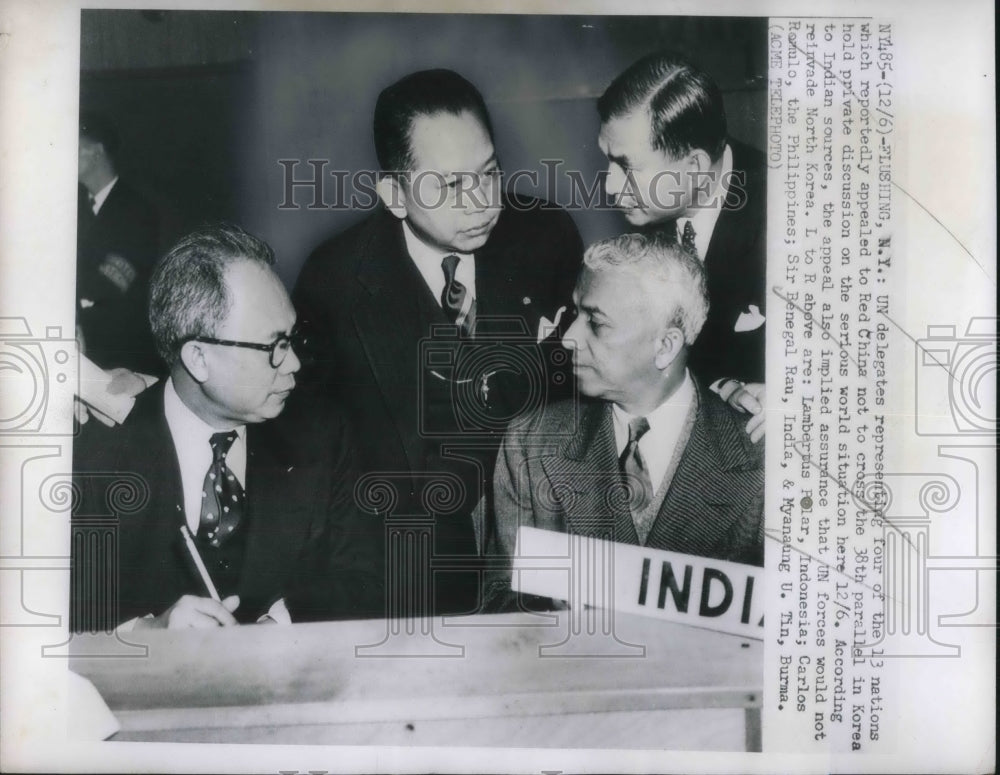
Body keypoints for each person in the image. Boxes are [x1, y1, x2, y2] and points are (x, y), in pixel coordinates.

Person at [294, 69, 582, 615]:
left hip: (538, 560)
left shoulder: (545, 236)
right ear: (394, 195)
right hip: (406, 581)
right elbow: (317, 455)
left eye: (489, 173)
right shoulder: (333, 281)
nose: (480, 202)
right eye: (449, 185)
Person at [71, 224, 383, 632]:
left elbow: (365, 580)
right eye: (273, 347)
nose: (293, 364)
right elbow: (48, 627)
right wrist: (148, 633)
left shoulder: (322, 434)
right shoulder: (93, 453)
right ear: (198, 358)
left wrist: (279, 626)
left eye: (292, 339)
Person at [484, 233, 764, 612]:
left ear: (665, 346)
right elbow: (499, 605)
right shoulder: (531, 443)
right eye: (575, 313)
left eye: (595, 323)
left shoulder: (763, 458)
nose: (568, 338)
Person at [597, 51, 766, 441]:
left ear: (693, 167)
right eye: (608, 162)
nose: (608, 186)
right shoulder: (645, 223)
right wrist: (722, 385)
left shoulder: (796, 217)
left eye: (626, 167)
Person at [76, 110, 161, 374]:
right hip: (81, 346)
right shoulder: (72, 208)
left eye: (73, 148)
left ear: (97, 151)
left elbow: (110, 281)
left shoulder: (136, 210)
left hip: (120, 356)